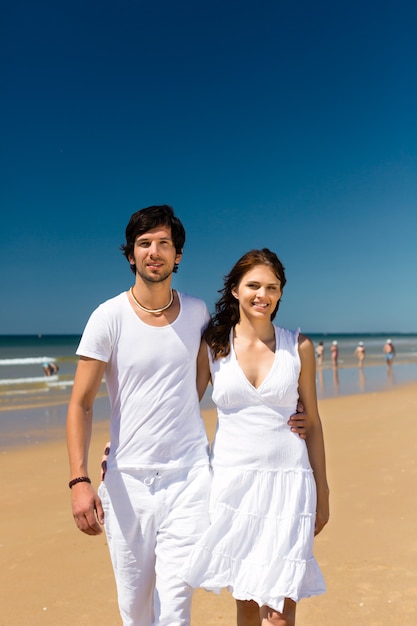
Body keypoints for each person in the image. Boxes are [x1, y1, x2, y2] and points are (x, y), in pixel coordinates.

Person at [66, 207, 308, 626]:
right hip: (128, 482)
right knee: (136, 610)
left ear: (178, 256)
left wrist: (289, 407)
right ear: (131, 255)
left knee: (176, 607)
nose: (154, 252)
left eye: (164, 244)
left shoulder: (198, 316)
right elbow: (80, 403)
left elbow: (239, 358)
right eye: (144, 244)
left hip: (191, 479)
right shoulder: (107, 317)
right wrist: (79, 478)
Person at [181, 249, 330, 626]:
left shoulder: (299, 347)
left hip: (290, 485)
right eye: (253, 285)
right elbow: (181, 413)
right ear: (234, 290)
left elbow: (312, 422)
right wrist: (122, 439)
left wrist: (323, 490)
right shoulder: (213, 347)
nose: (262, 294)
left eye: (272, 287)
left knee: (280, 612)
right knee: (246, 602)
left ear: (280, 294)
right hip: (233, 485)